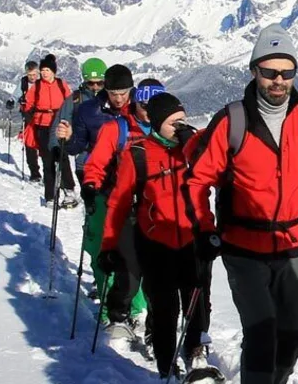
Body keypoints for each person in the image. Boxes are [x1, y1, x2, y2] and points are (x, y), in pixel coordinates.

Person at [184, 23, 298, 384]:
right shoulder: (233, 120)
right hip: (243, 247)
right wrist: (204, 228)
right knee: (261, 331)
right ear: (254, 71)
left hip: (294, 245)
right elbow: (197, 180)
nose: (278, 80)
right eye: (269, 72)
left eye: (287, 72)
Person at [99, 90, 216, 381]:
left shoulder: (193, 149)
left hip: (192, 240)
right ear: (158, 122)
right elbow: (119, 203)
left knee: (198, 303)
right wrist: (109, 245)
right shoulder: (138, 155)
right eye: (173, 123)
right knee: (165, 308)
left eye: (183, 121)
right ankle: (167, 366)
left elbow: (218, 142)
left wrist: (210, 232)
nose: (180, 128)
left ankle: (196, 355)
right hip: (155, 243)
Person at [84, 77, 169, 343]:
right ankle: (118, 314)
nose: (150, 109)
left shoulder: (168, 131)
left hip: (159, 213)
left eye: (156, 104)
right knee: (129, 271)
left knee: (159, 275)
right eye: (145, 104)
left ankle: (157, 324)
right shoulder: (117, 128)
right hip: (126, 208)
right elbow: (96, 163)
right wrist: (90, 185)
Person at [72, 64, 149, 326]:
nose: (119, 98)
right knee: (102, 250)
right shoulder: (90, 110)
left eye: (124, 92)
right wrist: (66, 138)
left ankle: (136, 308)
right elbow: (78, 147)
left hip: (136, 195)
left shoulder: (142, 109)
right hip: (103, 189)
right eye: (114, 92)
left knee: (134, 253)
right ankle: (108, 307)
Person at [22, 54, 77, 205]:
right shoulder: (37, 86)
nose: (44, 73)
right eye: (43, 70)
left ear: (53, 71)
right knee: (47, 160)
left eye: (47, 70)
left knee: (62, 157)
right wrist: (25, 110)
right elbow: (28, 104)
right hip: (43, 125)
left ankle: (69, 189)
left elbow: (69, 101)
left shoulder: (61, 84)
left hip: (59, 124)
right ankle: (50, 196)